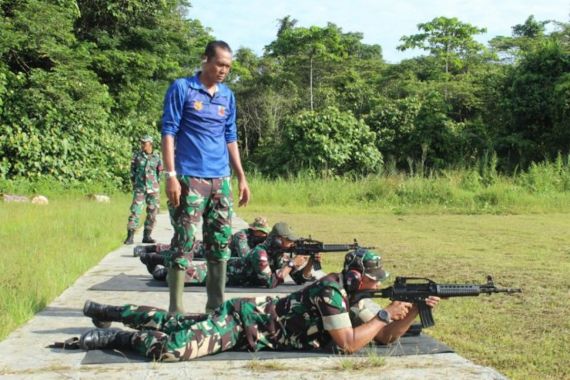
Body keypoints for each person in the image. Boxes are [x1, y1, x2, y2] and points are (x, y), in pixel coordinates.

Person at [77, 249, 441, 361]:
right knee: (175, 348)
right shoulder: (331, 292)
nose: (378, 283)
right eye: (374, 277)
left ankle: (106, 311)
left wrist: (407, 312)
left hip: (246, 322)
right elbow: (348, 344)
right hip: (243, 322)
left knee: (174, 323)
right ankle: (115, 337)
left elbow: (381, 338)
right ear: (357, 275)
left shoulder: (353, 297)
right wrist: (381, 314)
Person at [161, 40, 250, 314]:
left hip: (220, 179)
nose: (224, 70)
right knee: (185, 240)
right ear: (205, 60)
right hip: (190, 177)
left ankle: (215, 309)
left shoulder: (227, 96)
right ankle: (176, 311)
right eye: (220, 64)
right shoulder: (182, 88)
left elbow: (230, 137)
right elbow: (168, 131)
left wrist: (241, 177)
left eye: (228, 67)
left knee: (220, 243)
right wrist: (171, 175)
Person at [140, 222, 317, 289]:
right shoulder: (260, 253)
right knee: (172, 278)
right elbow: (269, 282)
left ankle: (155, 261)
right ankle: (154, 261)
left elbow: (299, 280)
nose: (291, 244)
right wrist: (291, 264)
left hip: (225, 274)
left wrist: (309, 264)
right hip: (217, 273)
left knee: (172, 275)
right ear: (278, 240)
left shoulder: (278, 254)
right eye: (288, 241)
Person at [132, 216, 270, 258]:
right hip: (208, 248)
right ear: (255, 230)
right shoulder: (242, 236)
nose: (265, 234)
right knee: (178, 249)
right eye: (262, 232)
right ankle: (146, 249)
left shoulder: (257, 238)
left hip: (216, 249)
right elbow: (244, 255)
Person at [124, 135, 162, 245]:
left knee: (152, 213)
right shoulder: (137, 156)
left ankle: (147, 235)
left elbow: (159, 173)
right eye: (141, 143)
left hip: (153, 189)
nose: (142, 145)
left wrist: (155, 185)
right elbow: (132, 172)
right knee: (135, 211)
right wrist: (135, 183)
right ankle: (130, 236)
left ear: (150, 144)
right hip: (140, 188)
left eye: (144, 143)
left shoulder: (157, 156)